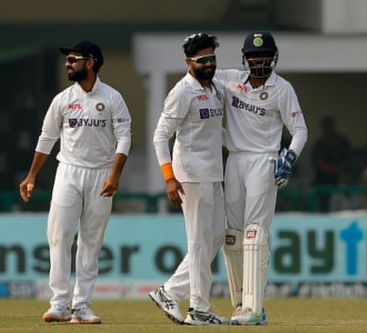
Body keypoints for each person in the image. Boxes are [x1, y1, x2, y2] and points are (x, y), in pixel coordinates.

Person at [18, 40, 131, 324]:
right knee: (59, 236)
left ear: (90, 62)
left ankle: (82, 306)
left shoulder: (113, 98)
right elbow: (47, 138)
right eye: (67, 60)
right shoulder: (63, 99)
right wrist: (31, 175)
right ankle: (59, 304)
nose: (68, 64)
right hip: (68, 171)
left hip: (101, 174)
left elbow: (124, 138)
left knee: (91, 242)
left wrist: (115, 175)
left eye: (73, 59)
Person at [214, 31, 308, 325]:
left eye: (265, 55)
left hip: (264, 161)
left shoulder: (283, 88)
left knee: (255, 235)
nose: (260, 60)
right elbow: (198, 75)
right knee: (234, 236)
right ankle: (241, 303)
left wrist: (288, 157)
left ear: (274, 56)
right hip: (235, 160)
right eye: (254, 56)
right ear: (245, 58)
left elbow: (300, 130)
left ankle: (255, 308)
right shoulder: (230, 80)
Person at [149, 33, 228, 325]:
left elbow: (216, 133)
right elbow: (160, 137)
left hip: (213, 174)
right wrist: (169, 178)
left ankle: (169, 291)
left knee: (216, 236)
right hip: (190, 176)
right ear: (188, 62)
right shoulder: (182, 92)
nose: (209, 64)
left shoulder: (216, 89)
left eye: (212, 59)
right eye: (202, 60)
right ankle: (199, 308)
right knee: (198, 243)